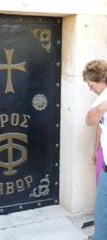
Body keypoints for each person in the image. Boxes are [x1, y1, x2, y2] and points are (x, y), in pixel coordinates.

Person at [82, 59, 107, 240]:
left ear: (101, 80)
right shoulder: (102, 99)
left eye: (91, 85)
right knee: (102, 213)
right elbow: (90, 120)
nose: (91, 89)